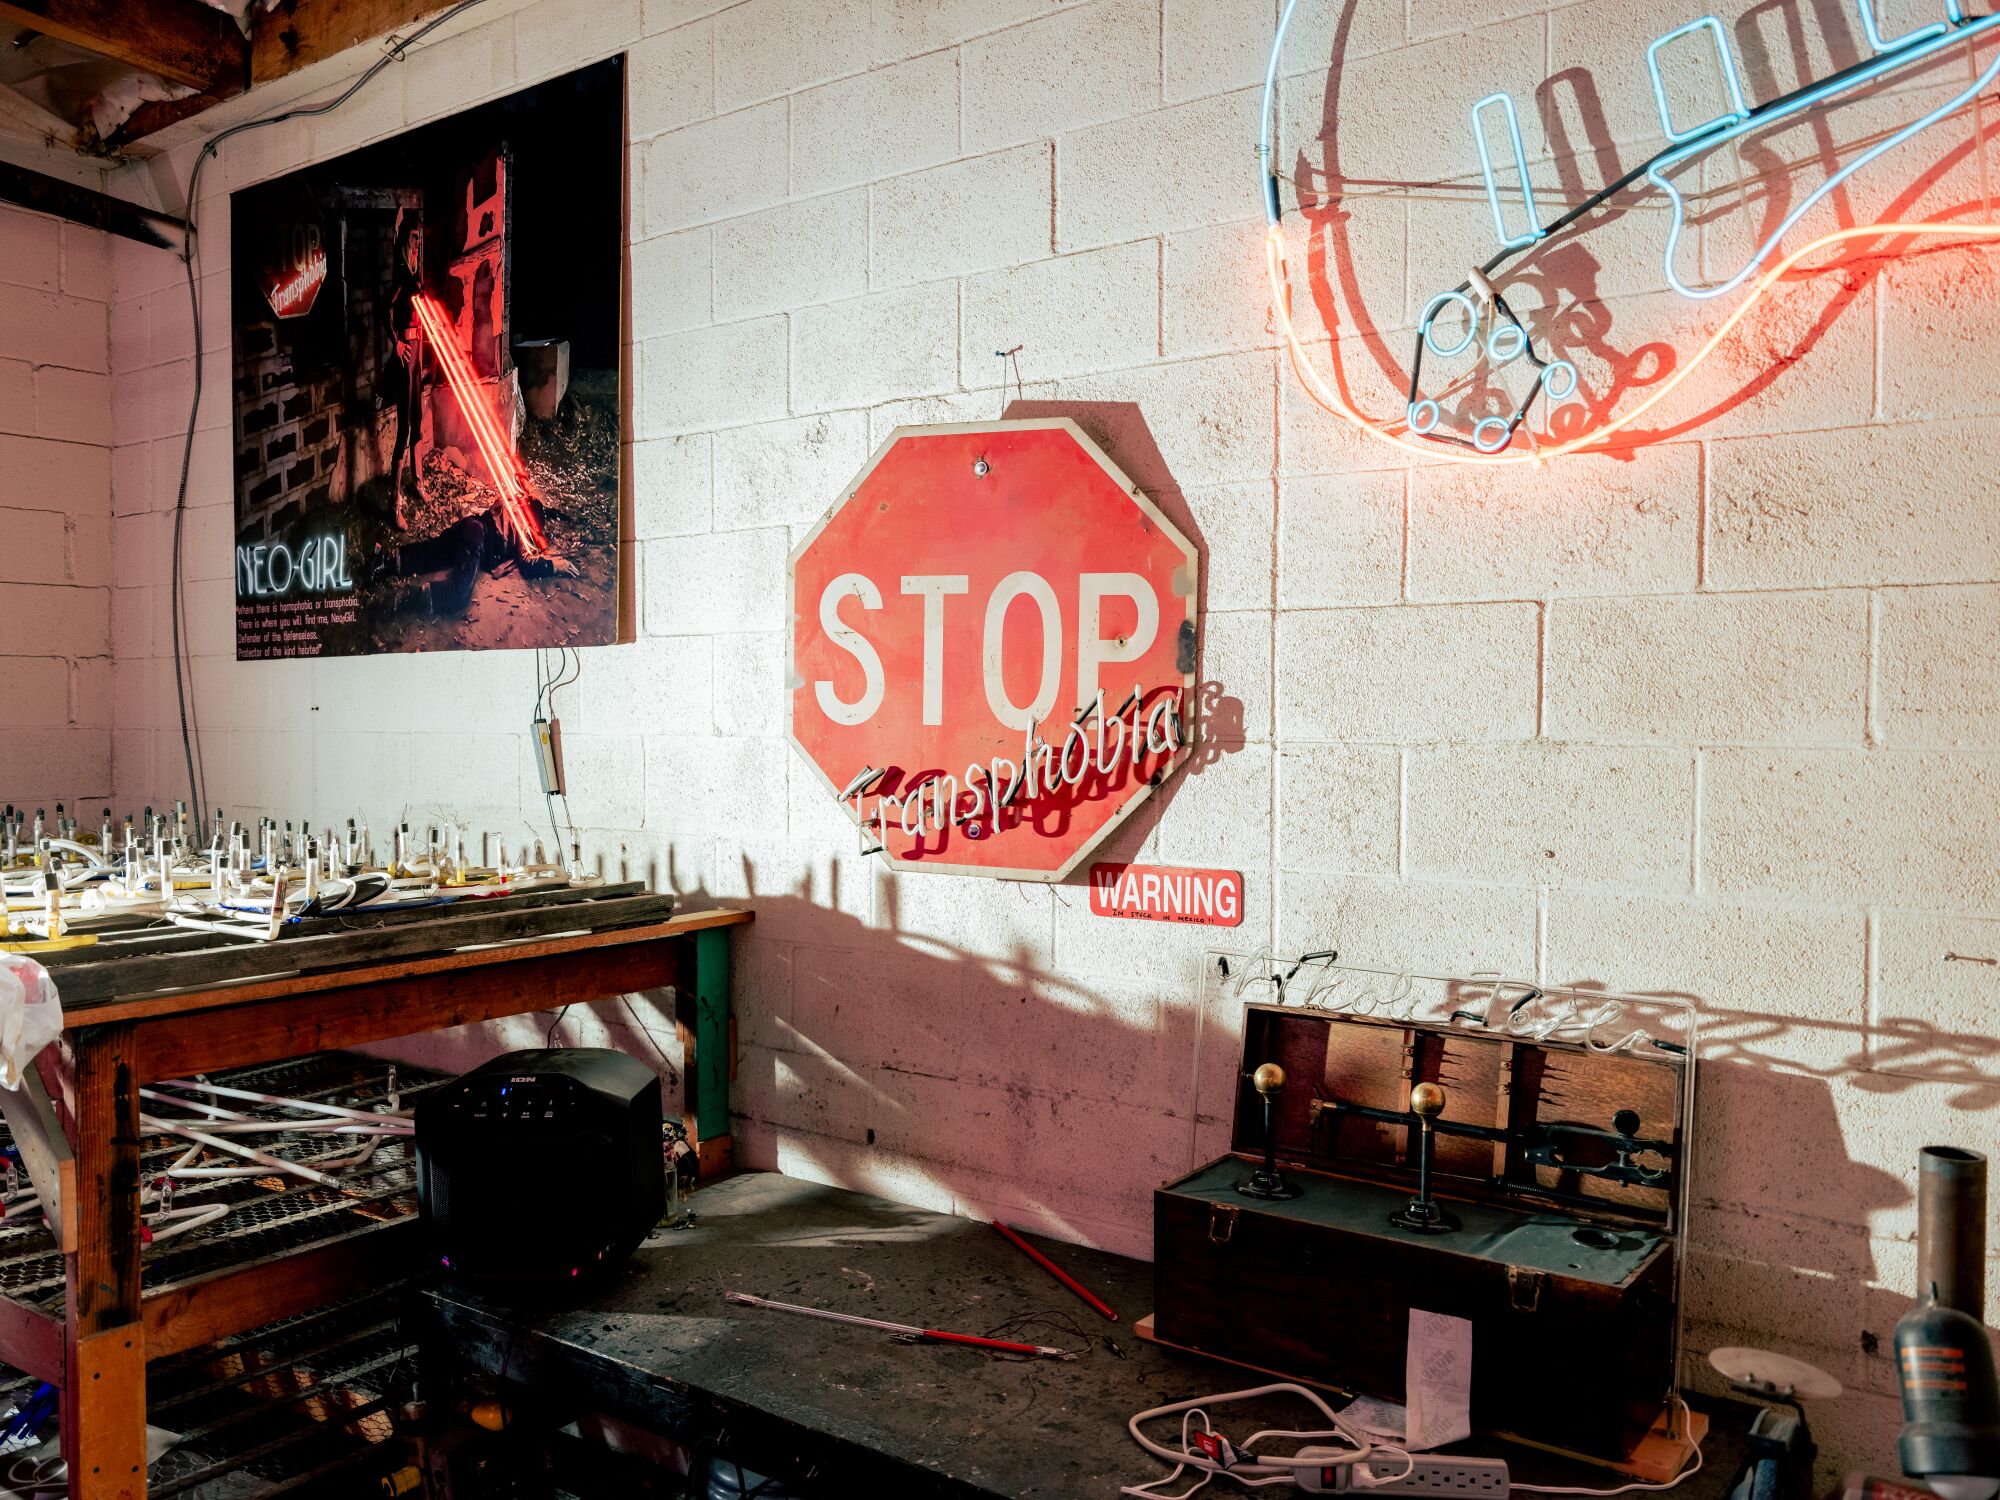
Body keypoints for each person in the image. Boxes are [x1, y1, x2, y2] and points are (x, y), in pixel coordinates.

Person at [384, 209, 430, 528]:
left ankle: (418, 482)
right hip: (406, 353)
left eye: (419, 238)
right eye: (413, 237)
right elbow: (385, 306)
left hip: (419, 352)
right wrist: (396, 343)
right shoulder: (402, 271)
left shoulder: (415, 269)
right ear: (404, 240)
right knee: (403, 430)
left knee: (418, 420)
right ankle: (394, 503)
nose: (417, 243)